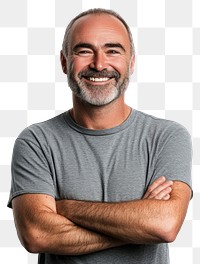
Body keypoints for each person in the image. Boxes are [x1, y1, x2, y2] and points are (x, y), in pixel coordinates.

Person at [8, 8, 192, 264]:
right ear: (64, 62)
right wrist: (139, 226)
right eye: (84, 50)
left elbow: (164, 224)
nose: (99, 64)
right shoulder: (37, 141)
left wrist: (66, 208)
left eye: (113, 50)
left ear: (131, 62)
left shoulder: (166, 137)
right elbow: (37, 234)